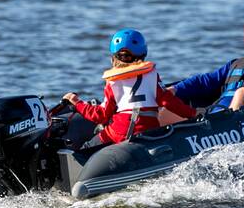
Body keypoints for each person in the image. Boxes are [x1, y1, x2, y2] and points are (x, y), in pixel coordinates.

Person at [63, 28, 196, 146]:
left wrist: (77, 103)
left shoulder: (112, 82)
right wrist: (192, 114)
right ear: (143, 54)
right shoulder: (152, 75)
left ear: (114, 57)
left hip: (119, 131)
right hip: (149, 129)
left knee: (88, 146)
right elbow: (168, 101)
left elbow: (101, 116)